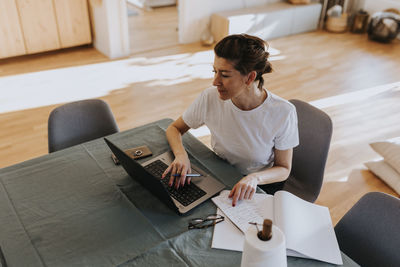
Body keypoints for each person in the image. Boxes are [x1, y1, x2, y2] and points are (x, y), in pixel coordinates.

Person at [161, 34, 299, 206]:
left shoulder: (283, 113)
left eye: (224, 75)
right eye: (215, 71)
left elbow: (284, 169)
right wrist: (181, 156)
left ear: (249, 78)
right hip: (221, 175)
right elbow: (174, 128)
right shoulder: (210, 98)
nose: (215, 82)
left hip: (259, 185)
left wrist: (254, 178)